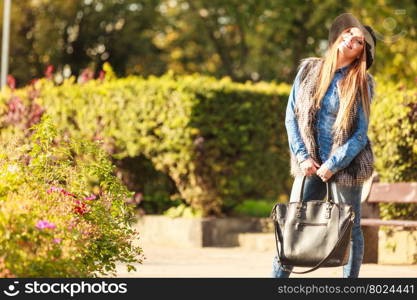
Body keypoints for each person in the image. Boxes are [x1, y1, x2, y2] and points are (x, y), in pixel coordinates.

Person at [271, 13, 377, 278]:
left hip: (346, 164)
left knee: (350, 229)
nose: (352, 39)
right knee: (293, 224)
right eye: (350, 33)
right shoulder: (308, 70)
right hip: (309, 164)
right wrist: (303, 156)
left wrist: (333, 164)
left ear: (362, 54)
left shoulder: (362, 82)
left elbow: (360, 135)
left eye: (360, 41)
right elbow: (291, 117)